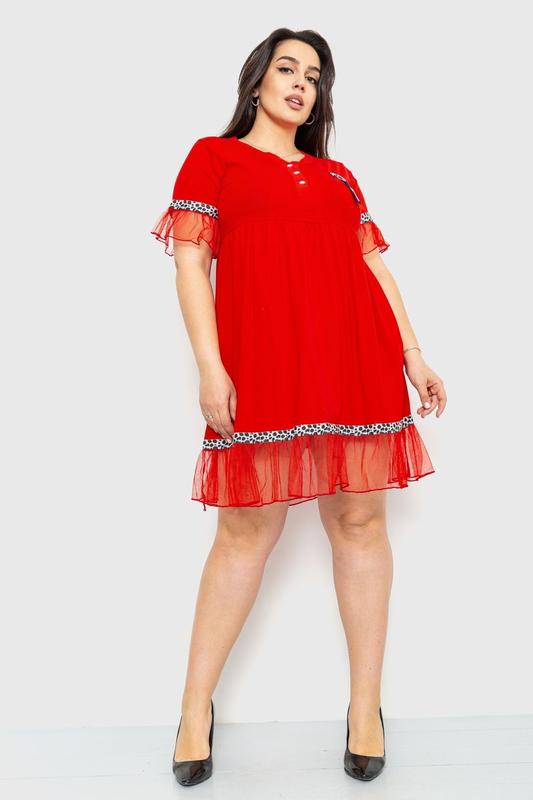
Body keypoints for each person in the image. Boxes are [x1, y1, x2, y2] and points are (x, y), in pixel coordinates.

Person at [150, 28, 446, 787]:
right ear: (256, 81)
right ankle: (193, 708)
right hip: (264, 367)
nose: (301, 84)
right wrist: (210, 367)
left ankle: (365, 708)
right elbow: (191, 264)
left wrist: (412, 353)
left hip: (354, 362)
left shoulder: (338, 176)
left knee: (360, 522)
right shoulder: (213, 159)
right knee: (244, 532)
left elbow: (372, 267)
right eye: (287, 68)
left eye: (314, 77)